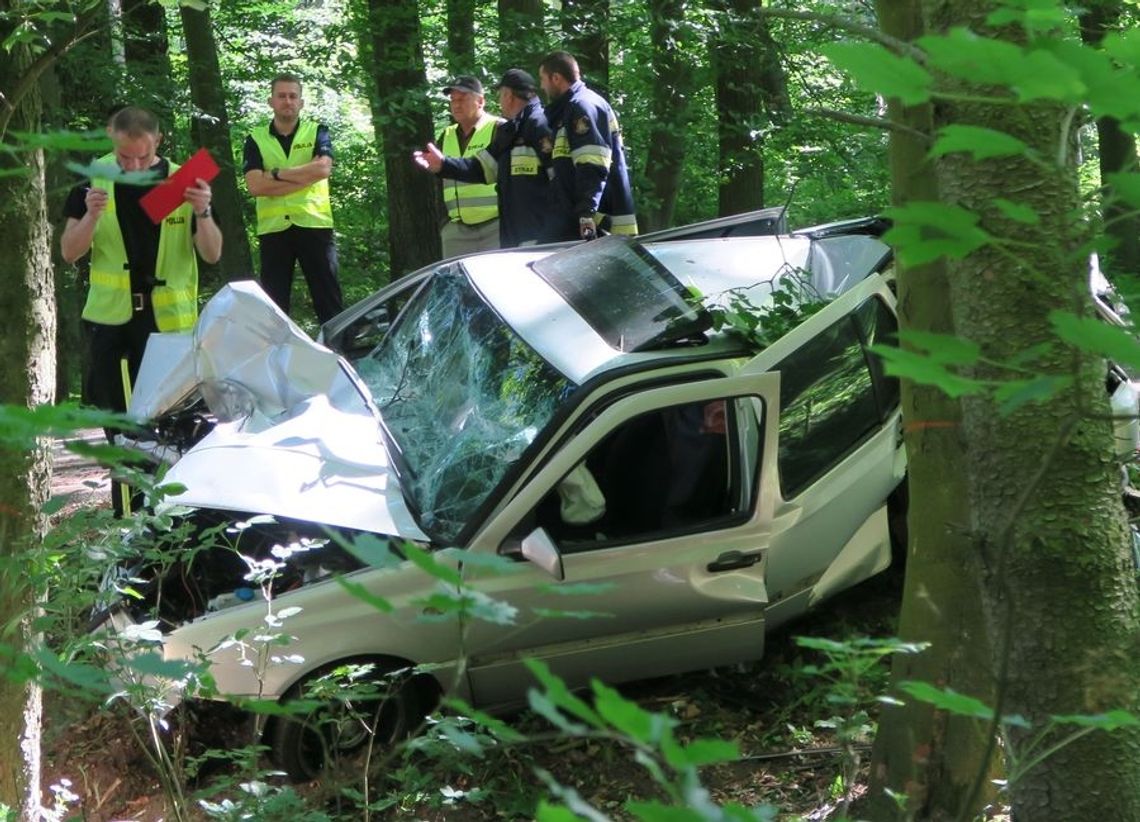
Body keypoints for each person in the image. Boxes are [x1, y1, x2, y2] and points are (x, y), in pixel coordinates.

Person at [60, 105, 222, 514]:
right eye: (124, 157)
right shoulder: (92, 179)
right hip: (111, 324)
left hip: (167, 325)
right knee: (120, 428)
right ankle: (127, 517)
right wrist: (91, 217)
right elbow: (69, 252)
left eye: (142, 157)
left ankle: (175, 515)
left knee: (170, 425)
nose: (132, 165)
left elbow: (212, 252)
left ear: (159, 143)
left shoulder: (185, 181)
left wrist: (203, 210)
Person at [414, 69, 565, 247]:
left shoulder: (538, 125)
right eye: (453, 100)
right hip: (514, 232)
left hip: (534, 231)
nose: (499, 101)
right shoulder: (512, 130)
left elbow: (561, 178)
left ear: (508, 96)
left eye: (501, 95)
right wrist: (444, 165)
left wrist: (558, 227)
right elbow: (483, 168)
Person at [243, 73, 343, 323]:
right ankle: (277, 359)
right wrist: (303, 177)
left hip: (314, 225)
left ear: (301, 102)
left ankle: (337, 355)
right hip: (274, 231)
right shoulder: (255, 138)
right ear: (271, 101)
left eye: (292, 96)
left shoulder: (318, 131)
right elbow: (255, 186)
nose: (287, 101)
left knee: (329, 302)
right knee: (274, 307)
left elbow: (322, 170)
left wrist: (275, 175)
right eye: (282, 96)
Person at [539, 51, 638, 240]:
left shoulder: (582, 106)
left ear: (556, 78)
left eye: (543, 79)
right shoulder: (570, 108)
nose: (541, 86)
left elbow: (592, 163)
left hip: (598, 221)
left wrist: (586, 213)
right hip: (581, 216)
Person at [434, 75, 505, 257]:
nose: (456, 105)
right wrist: (444, 223)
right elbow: (437, 182)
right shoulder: (446, 136)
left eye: (463, 99)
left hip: (495, 226)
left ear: (480, 101)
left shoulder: (499, 128)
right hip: (456, 229)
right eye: (453, 100)